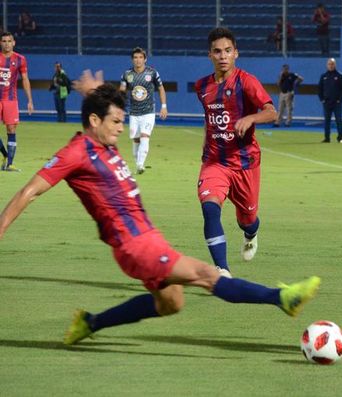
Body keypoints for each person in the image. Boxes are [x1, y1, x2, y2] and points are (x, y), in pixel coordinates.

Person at [0, 71, 321, 346]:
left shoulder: (101, 142)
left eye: (121, 121)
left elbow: (98, 116)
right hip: (134, 246)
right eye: (114, 122)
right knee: (207, 275)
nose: (120, 129)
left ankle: (90, 323)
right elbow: (29, 191)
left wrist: (93, 94)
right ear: (95, 121)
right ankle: (282, 298)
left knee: (170, 303)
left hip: (148, 238)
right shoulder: (76, 153)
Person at [195, 27, 277, 277]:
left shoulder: (246, 82)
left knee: (248, 219)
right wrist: (205, 142)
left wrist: (251, 118)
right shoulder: (202, 87)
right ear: (210, 55)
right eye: (217, 51)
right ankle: (223, 270)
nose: (223, 56)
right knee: (209, 207)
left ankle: (250, 234)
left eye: (228, 51)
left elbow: (272, 112)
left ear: (236, 54)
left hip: (245, 163)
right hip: (215, 162)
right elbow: (210, 118)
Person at [120, 47, 167, 175]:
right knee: (136, 139)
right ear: (132, 59)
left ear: (145, 59)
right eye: (135, 57)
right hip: (134, 112)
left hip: (148, 111)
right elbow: (122, 91)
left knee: (145, 136)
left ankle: (141, 165)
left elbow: (161, 89)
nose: (138, 60)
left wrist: (163, 106)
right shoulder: (127, 74)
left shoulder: (152, 73)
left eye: (140, 57)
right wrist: (119, 106)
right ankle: (137, 164)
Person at [0, 32, 34, 172]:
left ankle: (10, 164)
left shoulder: (20, 59)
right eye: (4, 41)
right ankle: (5, 154)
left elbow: (25, 79)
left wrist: (29, 100)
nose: (7, 43)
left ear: (14, 43)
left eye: (9, 41)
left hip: (10, 99)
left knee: (11, 129)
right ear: (0, 43)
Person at [318, 58, 342, 143]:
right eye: (329, 64)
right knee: (327, 121)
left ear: (335, 65)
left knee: (338, 120)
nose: (331, 65)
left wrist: (339, 100)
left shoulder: (340, 76)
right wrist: (322, 99)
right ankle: (327, 138)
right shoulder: (323, 76)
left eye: (332, 64)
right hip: (326, 102)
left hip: (337, 103)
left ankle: (340, 138)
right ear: (327, 65)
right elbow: (320, 89)